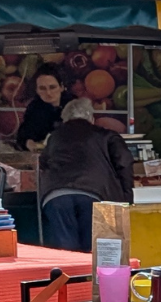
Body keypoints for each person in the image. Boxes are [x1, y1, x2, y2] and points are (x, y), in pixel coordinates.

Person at [36, 98, 134, 251]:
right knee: (92, 250)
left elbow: (43, 163)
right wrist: (126, 197)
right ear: (91, 118)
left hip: (56, 197)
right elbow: (125, 163)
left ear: (65, 119)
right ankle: (86, 274)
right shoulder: (106, 135)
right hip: (94, 195)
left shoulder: (54, 137)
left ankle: (71, 274)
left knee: (66, 251)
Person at [14, 67, 67, 150]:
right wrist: (28, 143)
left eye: (52, 87)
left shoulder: (73, 105)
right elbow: (23, 134)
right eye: (42, 88)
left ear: (62, 87)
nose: (48, 93)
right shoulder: (33, 108)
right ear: (37, 90)